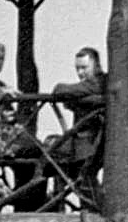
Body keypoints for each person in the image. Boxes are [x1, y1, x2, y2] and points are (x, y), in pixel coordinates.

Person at [45, 48, 108, 203]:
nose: (80, 73)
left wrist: (73, 99)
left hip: (93, 142)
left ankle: (57, 204)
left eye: (84, 68)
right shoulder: (92, 84)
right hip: (87, 141)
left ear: (96, 66)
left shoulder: (99, 82)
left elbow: (59, 90)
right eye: (77, 68)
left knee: (52, 155)